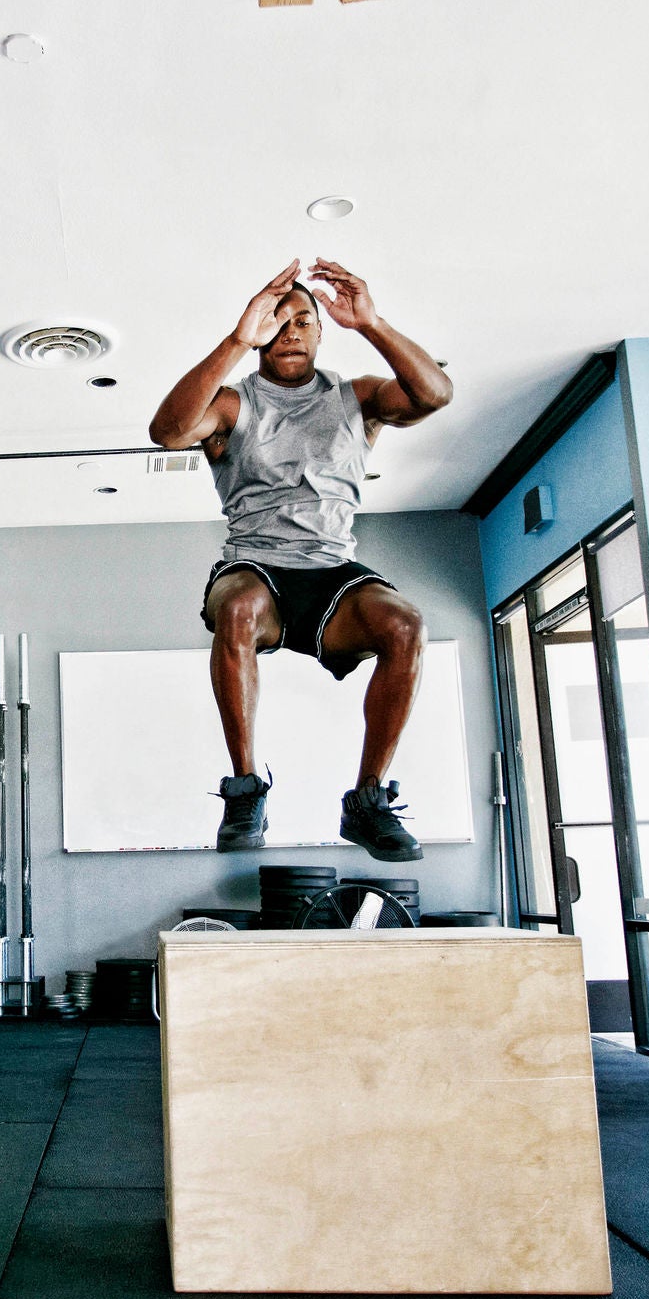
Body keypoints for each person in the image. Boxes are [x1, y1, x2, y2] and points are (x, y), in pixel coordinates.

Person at [149, 258, 453, 860]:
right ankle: (244, 791)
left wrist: (372, 323)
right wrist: (237, 339)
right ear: (261, 330)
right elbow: (168, 430)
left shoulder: (356, 397)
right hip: (256, 566)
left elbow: (434, 394)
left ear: (321, 332)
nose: (290, 331)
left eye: (303, 320)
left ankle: (367, 802)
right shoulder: (234, 406)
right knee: (236, 609)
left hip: (335, 571)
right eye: (277, 320)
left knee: (407, 625)